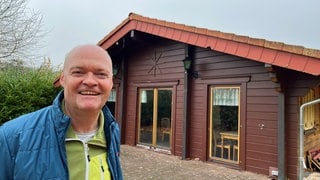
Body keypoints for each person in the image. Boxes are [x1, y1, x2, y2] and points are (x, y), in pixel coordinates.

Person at [0, 44, 123, 179]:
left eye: (101, 74)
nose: (90, 81)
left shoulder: (111, 130)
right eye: (78, 72)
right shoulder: (11, 137)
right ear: (63, 79)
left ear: (111, 82)